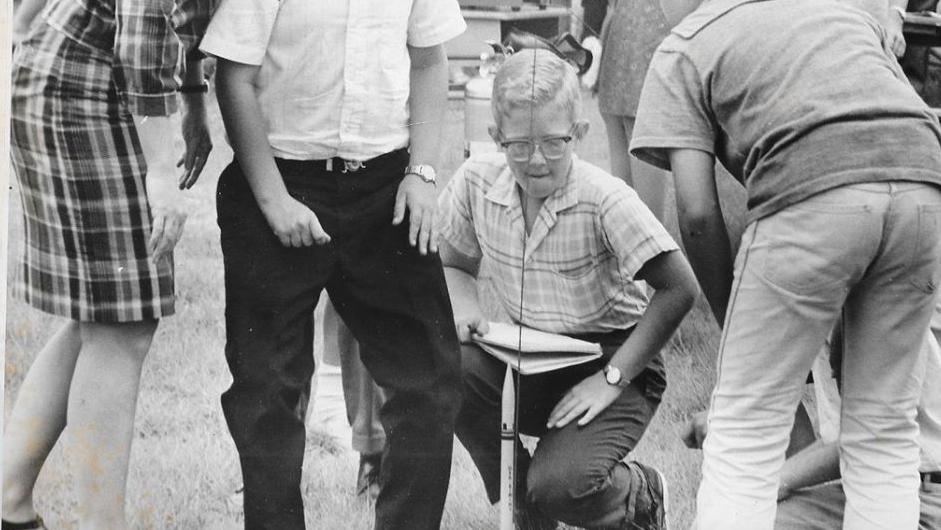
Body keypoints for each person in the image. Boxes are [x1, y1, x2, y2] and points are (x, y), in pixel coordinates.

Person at [630, 0, 941, 528]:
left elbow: (698, 213)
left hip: (811, 187)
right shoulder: (834, 10)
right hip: (924, 183)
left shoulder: (684, 43)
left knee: (744, 435)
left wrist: (733, 323)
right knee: (883, 434)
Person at [198, 1, 466, 528]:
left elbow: (430, 61)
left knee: (429, 383)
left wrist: (422, 173)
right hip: (280, 182)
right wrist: (274, 200)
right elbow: (234, 79)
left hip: (385, 189)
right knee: (267, 391)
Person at [438, 48, 699, 529]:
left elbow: (679, 288)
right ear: (496, 137)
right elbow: (454, 263)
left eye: (554, 143)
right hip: (531, 357)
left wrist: (612, 378)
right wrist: (466, 310)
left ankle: (638, 495)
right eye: (519, 145)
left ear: (578, 133)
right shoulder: (474, 182)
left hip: (613, 360)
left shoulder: (605, 198)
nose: (537, 160)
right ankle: (523, 503)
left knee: (562, 486)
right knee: (446, 361)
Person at [4, 0, 215, 528]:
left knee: (108, 314)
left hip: (81, 80)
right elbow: (143, 35)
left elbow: (186, 14)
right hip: (80, 89)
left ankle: (9, 502)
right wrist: (160, 172)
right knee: (122, 322)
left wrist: (193, 99)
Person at [596, 0, 698, 220]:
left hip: (640, 34)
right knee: (628, 128)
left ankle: (644, 229)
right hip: (630, 35)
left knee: (638, 132)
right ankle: (634, 228)